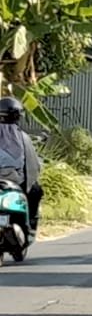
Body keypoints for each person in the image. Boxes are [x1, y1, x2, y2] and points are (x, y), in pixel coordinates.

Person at [0, 96, 43, 235]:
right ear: (18, 116)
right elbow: (33, 163)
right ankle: (30, 222)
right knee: (36, 191)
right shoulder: (23, 136)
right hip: (16, 180)